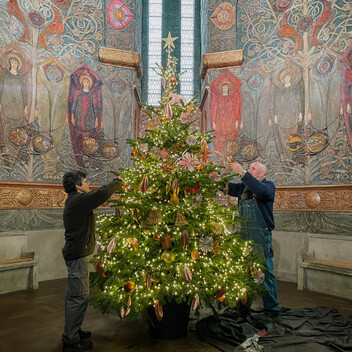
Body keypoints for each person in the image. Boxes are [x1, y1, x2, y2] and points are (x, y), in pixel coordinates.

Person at [61, 171, 122, 352]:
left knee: (78, 295)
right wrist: (117, 181)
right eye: (85, 182)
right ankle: (70, 340)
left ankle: (74, 330)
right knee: (78, 297)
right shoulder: (78, 201)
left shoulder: (75, 201)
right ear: (78, 186)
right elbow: (101, 194)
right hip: (77, 256)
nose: (88, 184)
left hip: (77, 254)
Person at [227, 161, 280, 318]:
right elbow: (228, 188)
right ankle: (244, 306)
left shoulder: (268, 186)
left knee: (264, 272)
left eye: (253, 168)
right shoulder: (242, 188)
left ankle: (272, 308)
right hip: (245, 233)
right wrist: (216, 177)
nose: (250, 170)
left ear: (261, 174)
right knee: (245, 272)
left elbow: (261, 191)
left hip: (260, 235)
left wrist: (243, 172)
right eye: (249, 168)